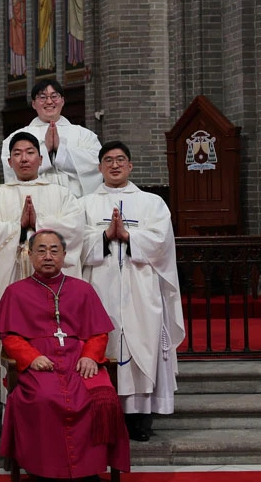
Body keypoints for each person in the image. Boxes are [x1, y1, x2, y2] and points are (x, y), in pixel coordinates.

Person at [0, 229, 130, 479]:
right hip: (40, 361)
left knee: (102, 398)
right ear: (30, 255)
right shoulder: (16, 292)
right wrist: (30, 357)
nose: (48, 256)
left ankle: (89, 469)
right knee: (43, 398)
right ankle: (44, 469)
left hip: (78, 360)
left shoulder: (83, 290)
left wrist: (90, 356)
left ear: (64, 255)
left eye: (54, 250)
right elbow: (10, 337)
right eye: (41, 250)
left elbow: (99, 333)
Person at [81, 141, 184, 441]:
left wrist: (128, 236)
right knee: (104, 345)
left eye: (120, 160)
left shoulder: (152, 203)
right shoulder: (84, 204)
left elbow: (162, 242)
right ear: (99, 167)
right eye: (108, 160)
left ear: (130, 165)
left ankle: (140, 419)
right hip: (99, 286)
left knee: (143, 346)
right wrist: (104, 236)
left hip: (141, 287)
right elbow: (74, 244)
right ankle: (105, 416)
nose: (114, 165)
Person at [0, 131, 83, 391]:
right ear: (9, 162)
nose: (24, 159)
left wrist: (39, 224)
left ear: (41, 159)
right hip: (10, 274)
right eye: (17, 154)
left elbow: (74, 229)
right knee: (13, 334)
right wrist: (18, 227)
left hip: (50, 280)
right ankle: (10, 400)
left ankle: (59, 388)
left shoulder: (61, 194)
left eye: (29, 153)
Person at [0, 79, 102, 197]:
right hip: (33, 199)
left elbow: (96, 165)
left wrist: (60, 150)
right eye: (42, 97)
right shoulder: (16, 137)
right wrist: (46, 150)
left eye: (54, 96)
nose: (49, 101)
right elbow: (11, 169)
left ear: (62, 101)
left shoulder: (84, 135)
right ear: (33, 104)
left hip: (75, 201)